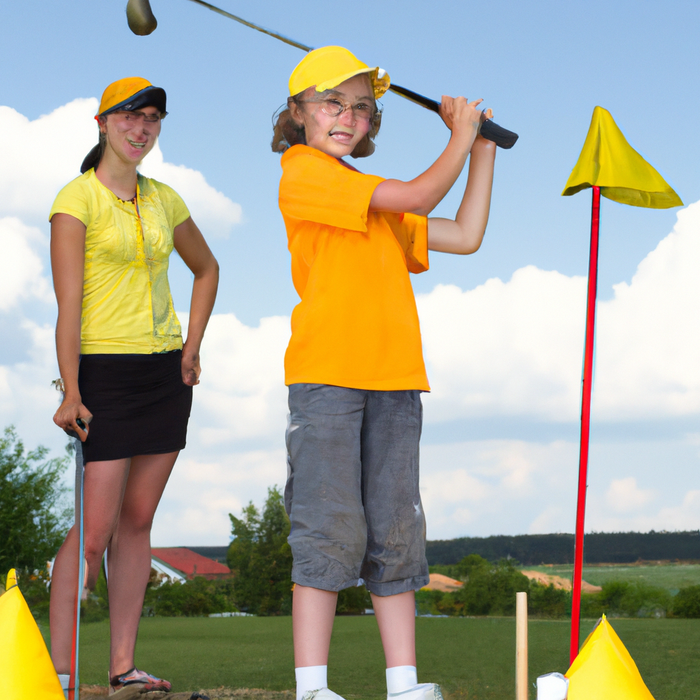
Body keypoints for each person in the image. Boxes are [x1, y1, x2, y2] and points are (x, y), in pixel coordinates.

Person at [272, 46, 497, 700]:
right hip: (328, 379)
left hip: (396, 380)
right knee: (329, 526)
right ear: (298, 114)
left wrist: (479, 150)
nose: (347, 117)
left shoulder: (373, 203)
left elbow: (465, 232)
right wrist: (458, 136)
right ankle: (312, 688)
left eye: (361, 107)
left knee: (396, 531)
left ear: (371, 121)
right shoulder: (305, 171)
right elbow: (425, 190)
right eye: (330, 103)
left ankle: (404, 684)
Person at [48, 77, 219, 696]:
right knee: (94, 530)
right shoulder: (76, 200)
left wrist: (192, 343)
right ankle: (60, 672)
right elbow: (69, 305)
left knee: (139, 521)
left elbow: (207, 268)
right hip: (105, 374)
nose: (140, 128)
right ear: (102, 123)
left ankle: (122, 668)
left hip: (165, 373)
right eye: (129, 117)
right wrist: (72, 389)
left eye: (151, 119)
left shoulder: (166, 199)